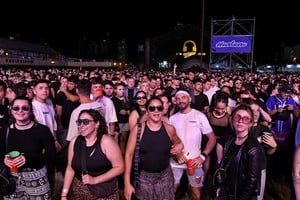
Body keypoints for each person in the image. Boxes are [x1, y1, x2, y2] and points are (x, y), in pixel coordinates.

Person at [124, 97, 183, 200]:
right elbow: (128, 155)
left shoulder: (169, 129)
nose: (156, 111)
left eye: (159, 108)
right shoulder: (138, 130)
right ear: (147, 111)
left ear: (163, 110)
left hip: (165, 176)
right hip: (144, 178)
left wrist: (180, 145)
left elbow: (177, 141)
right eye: (152, 108)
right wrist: (127, 183)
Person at [0, 96, 56, 199]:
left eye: (25, 108)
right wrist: (4, 160)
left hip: (37, 179)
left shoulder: (42, 130)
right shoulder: (5, 131)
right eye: (16, 108)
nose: (20, 111)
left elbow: (51, 155)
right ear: (11, 111)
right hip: (12, 180)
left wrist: (28, 158)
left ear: (30, 111)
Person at [62, 109, 124, 199]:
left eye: (86, 122)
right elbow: (70, 169)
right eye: (79, 122)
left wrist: (95, 180)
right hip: (80, 192)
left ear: (97, 124)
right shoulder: (75, 141)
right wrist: (64, 194)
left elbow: (120, 167)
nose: (81, 125)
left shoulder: (106, 141)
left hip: (103, 192)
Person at [169, 89, 216, 200]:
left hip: (195, 162)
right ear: (175, 101)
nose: (181, 101)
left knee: (196, 194)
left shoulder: (199, 116)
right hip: (176, 162)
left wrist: (202, 156)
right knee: (171, 191)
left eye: (184, 97)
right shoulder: (172, 118)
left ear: (190, 99)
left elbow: (212, 139)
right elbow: (169, 139)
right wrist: (176, 153)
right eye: (178, 98)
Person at [215, 104, 266, 199]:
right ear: (232, 119)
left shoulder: (253, 148)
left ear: (250, 123)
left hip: (242, 195)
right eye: (237, 117)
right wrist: (220, 186)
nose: (240, 121)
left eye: (246, 118)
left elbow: (252, 181)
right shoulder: (229, 140)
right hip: (227, 191)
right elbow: (224, 167)